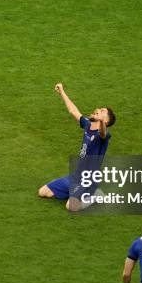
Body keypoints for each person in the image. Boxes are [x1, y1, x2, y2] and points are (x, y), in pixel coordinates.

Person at [38, 83, 116, 211]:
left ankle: (95, 195)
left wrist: (101, 121)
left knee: (71, 206)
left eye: (102, 111)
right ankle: (74, 192)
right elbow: (73, 111)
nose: (98, 110)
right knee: (43, 192)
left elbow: (103, 132)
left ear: (105, 121)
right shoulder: (87, 125)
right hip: (75, 177)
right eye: (99, 109)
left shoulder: (103, 136)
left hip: (88, 182)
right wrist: (62, 92)